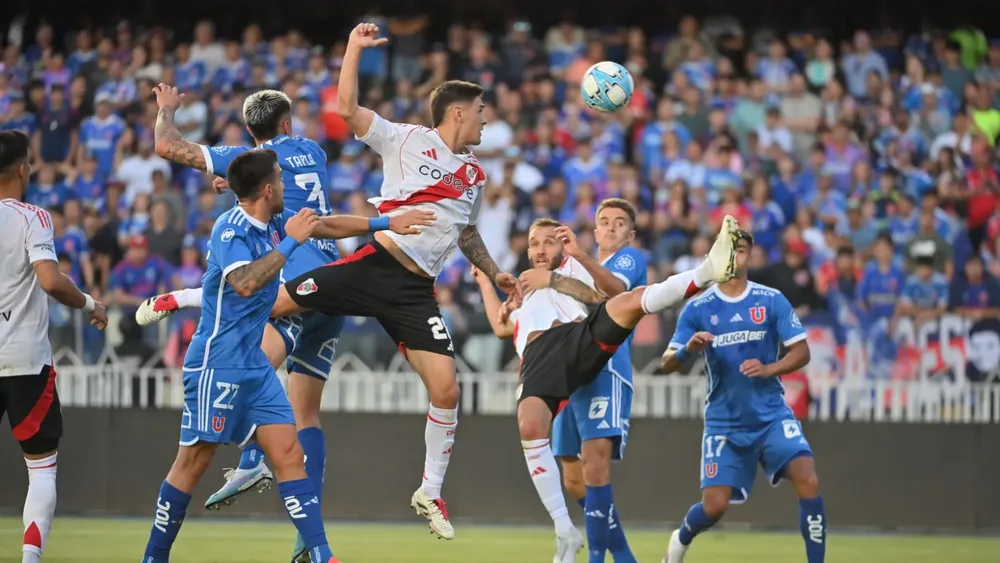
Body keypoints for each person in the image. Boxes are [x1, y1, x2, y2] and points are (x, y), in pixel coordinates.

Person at [135, 82, 432, 561]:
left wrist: (167, 111)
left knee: (281, 429)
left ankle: (307, 535)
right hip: (312, 295)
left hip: (286, 296)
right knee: (285, 424)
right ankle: (165, 551)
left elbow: (169, 146)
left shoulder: (264, 197)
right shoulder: (306, 155)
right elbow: (255, 275)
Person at [251, 22, 521, 540]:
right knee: (273, 305)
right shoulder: (405, 139)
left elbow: (466, 234)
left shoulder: (475, 176)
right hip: (375, 264)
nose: (488, 120)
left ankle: (429, 490)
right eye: (482, 111)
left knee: (447, 389)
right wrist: (353, 47)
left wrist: (494, 271)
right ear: (459, 112)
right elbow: (347, 108)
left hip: (414, 291)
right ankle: (201, 319)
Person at [139, 149, 366, 563]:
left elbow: (326, 226)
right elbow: (244, 282)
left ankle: (322, 556)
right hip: (217, 362)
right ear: (267, 189)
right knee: (192, 463)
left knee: (289, 455)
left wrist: (386, 225)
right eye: (279, 179)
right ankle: (154, 558)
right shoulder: (230, 229)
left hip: (255, 368)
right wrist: (293, 242)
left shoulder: (274, 222)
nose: (284, 185)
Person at [473, 215, 739, 563]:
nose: (540, 249)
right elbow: (500, 325)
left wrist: (553, 278)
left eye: (549, 241)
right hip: (540, 356)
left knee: (631, 302)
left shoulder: (574, 267)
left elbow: (602, 297)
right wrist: (483, 280)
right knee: (531, 426)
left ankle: (707, 272)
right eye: (534, 243)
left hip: (577, 337)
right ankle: (566, 530)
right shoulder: (520, 289)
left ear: (563, 244)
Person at [658, 230, 824, 563]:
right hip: (725, 421)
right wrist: (689, 350)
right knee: (714, 506)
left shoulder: (771, 299)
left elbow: (802, 352)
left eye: (743, 250)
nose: (736, 257)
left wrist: (769, 368)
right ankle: (681, 539)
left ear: (751, 256)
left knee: (807, 476)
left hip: (771, 415)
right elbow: (668, 362)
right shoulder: (698, 308)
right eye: (729, 251)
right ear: (717, 256)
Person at [0, 130, 108, 563]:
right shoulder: (33, 218)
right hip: (25, 360)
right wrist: (90, 302)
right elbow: (49, 280)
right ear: (24, 169)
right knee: (41, 469)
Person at [551, 199, 647, 563]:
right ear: (594, 230)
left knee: (595, 464)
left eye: (619, 223)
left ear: (630, 234)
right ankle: (623, 555)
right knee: (573, 478)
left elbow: (615, 293)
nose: (610, 228)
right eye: (604, 221)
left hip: (607, 369)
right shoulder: (572, 266)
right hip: (570, 375)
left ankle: (596, 559)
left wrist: (581, 258)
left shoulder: (630, 260)